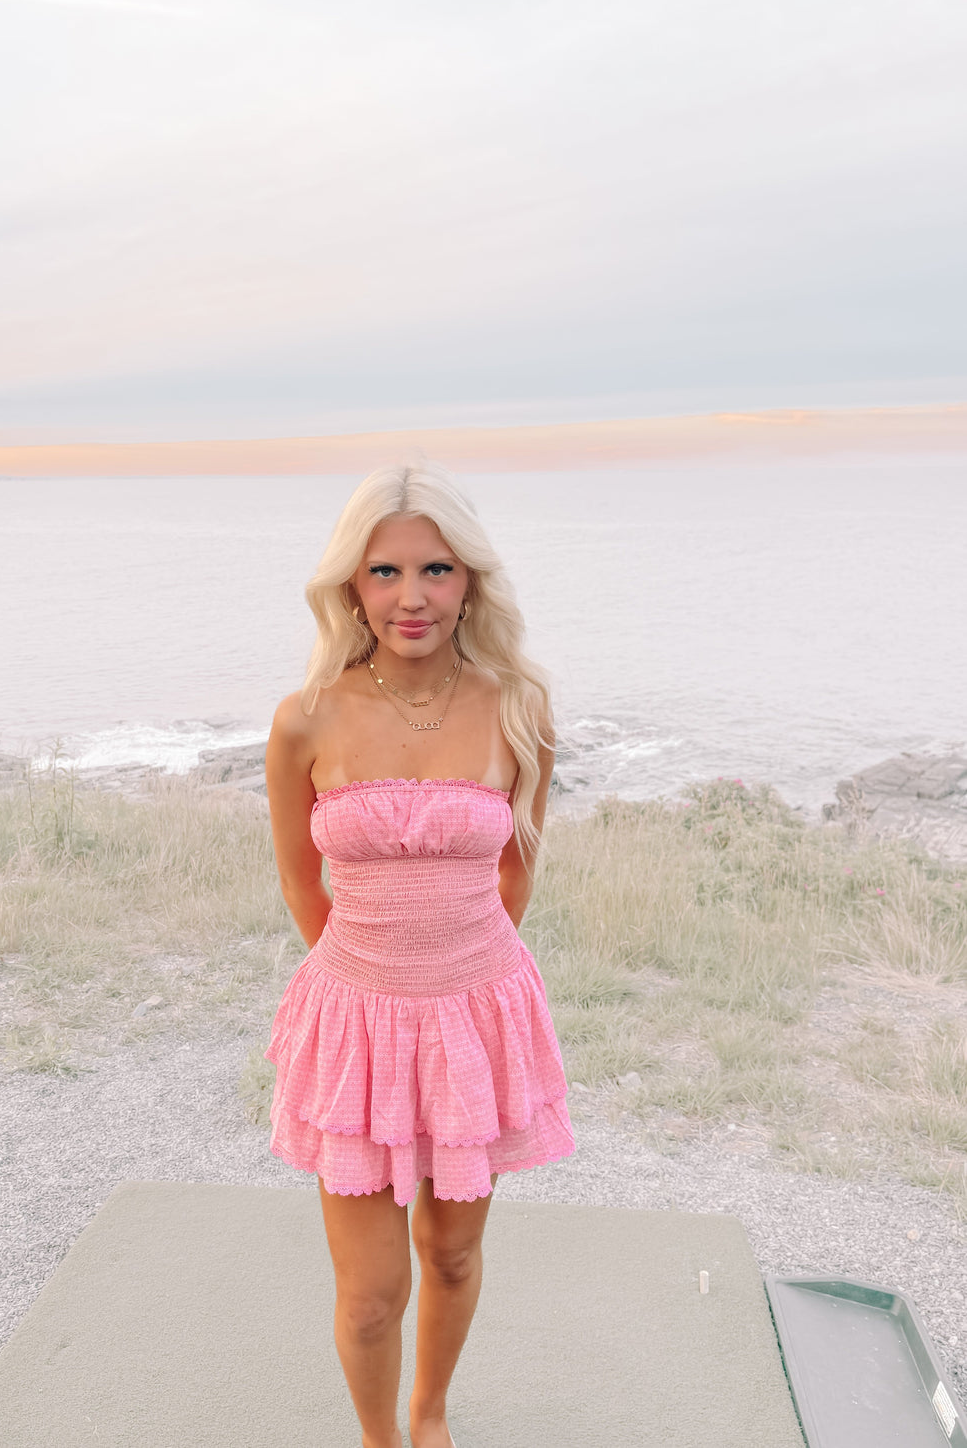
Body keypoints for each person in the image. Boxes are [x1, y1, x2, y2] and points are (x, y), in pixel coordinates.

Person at [264, 461, 574, 1448]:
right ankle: (378, 1440)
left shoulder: (516, 707)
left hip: (474, 1018)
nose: (412, 596)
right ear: (349, 587)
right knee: (368, 1296)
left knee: (447, 1255)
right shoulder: (304, 719)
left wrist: (455, 984)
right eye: (385, 572)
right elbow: (299, 885)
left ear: (470, 580)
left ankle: (429, 1417)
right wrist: (374, 984)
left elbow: (514, 874)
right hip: (354, 1021)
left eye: (435, 570)